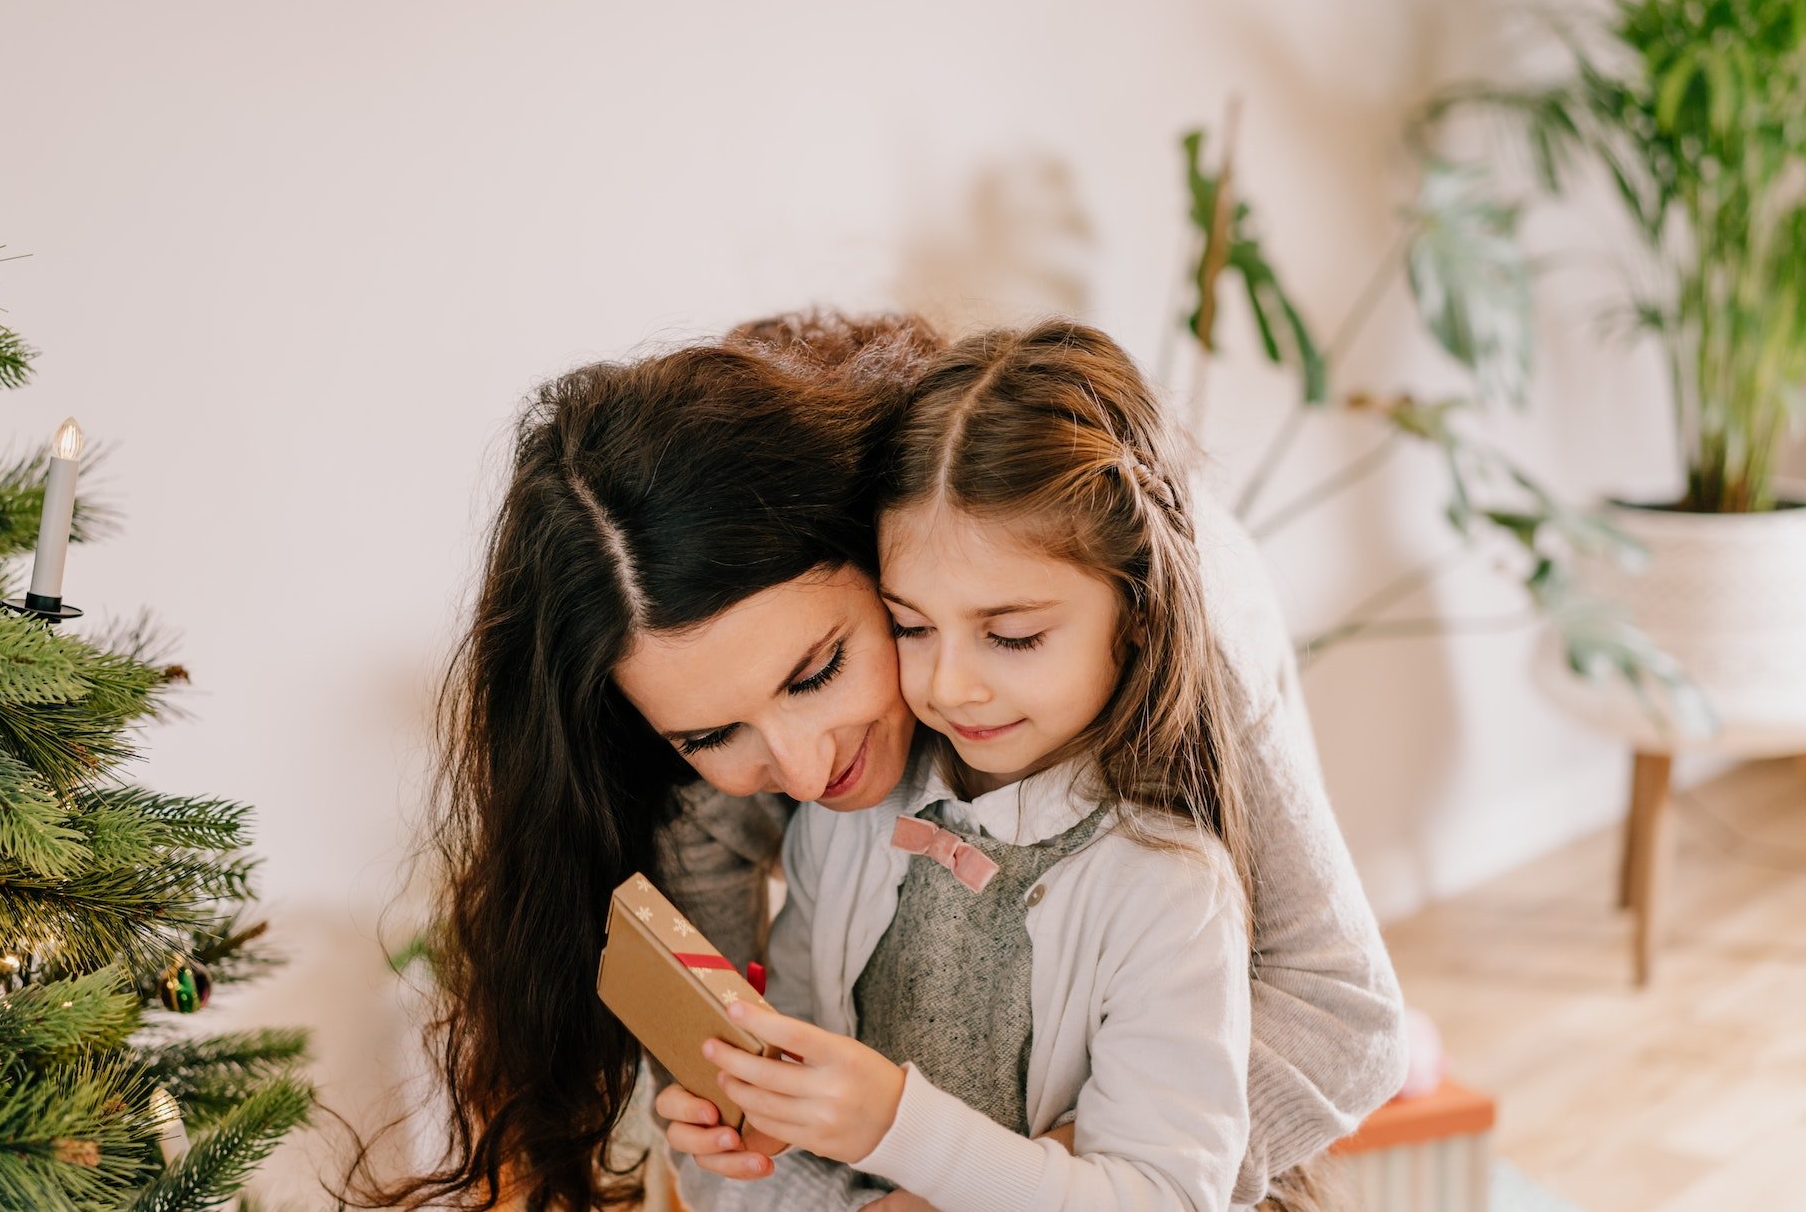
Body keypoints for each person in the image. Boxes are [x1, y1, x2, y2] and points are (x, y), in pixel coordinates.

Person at [356, 313, 1403, 1212]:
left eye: (817, 669)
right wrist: (756, 1141)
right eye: (709, 736)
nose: (807, 774)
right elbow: (730, 1101)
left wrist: (986, 1173)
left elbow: (1340, 1018)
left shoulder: (1162, 634)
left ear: (879, 546)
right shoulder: (780, 793)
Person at [660, 319, 1260, 1210]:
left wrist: (900, 1126)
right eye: (909, 625)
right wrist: (739, 1129)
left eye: (1012, 634)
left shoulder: (1167, 891)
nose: (948, 684)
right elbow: (772, 1127)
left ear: (1136, 612)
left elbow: (1165, 1194)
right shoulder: (844, 817)